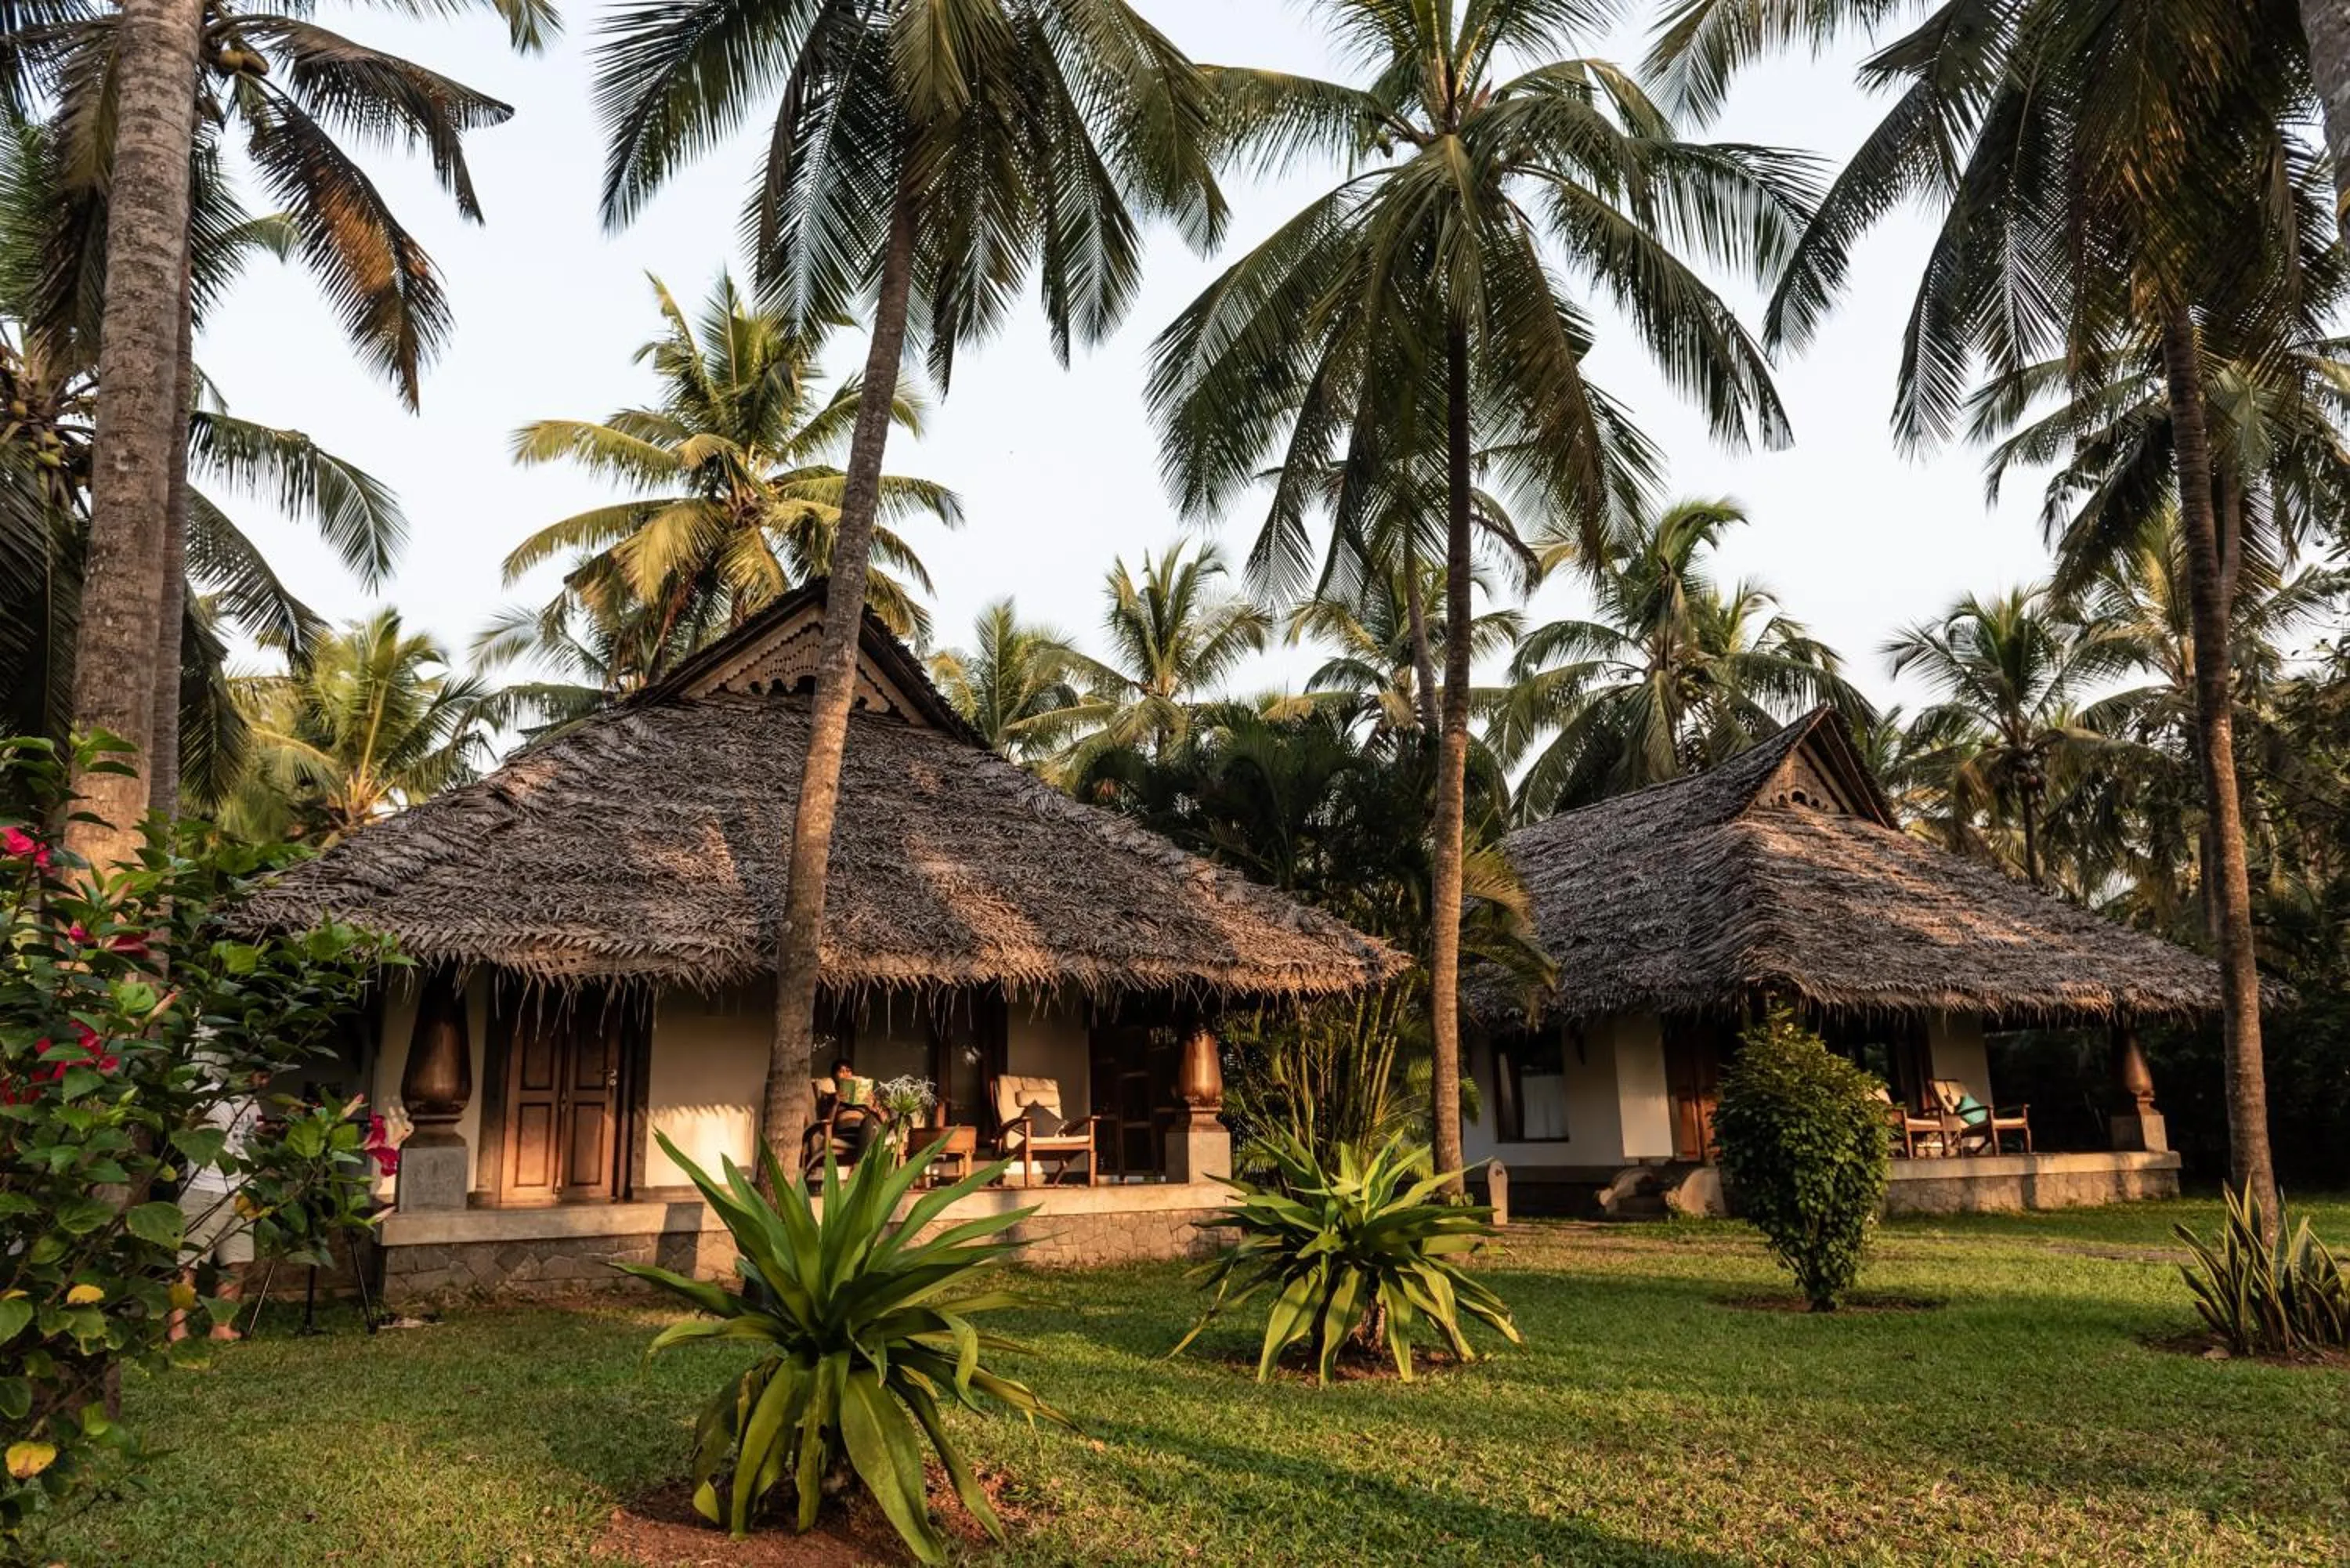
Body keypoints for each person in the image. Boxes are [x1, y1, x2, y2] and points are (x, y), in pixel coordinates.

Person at [169, 1069, 265, 1343]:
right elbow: (185, 1127)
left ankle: (221, 1327)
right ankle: (177, 1329)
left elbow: (249, 1142)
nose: (264, 1081)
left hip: (244, 1193)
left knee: (237, 1263)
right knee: (188, 1265)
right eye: (262, 1074)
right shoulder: (206, 1095)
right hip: (206, 1191)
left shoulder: (252, 1102)